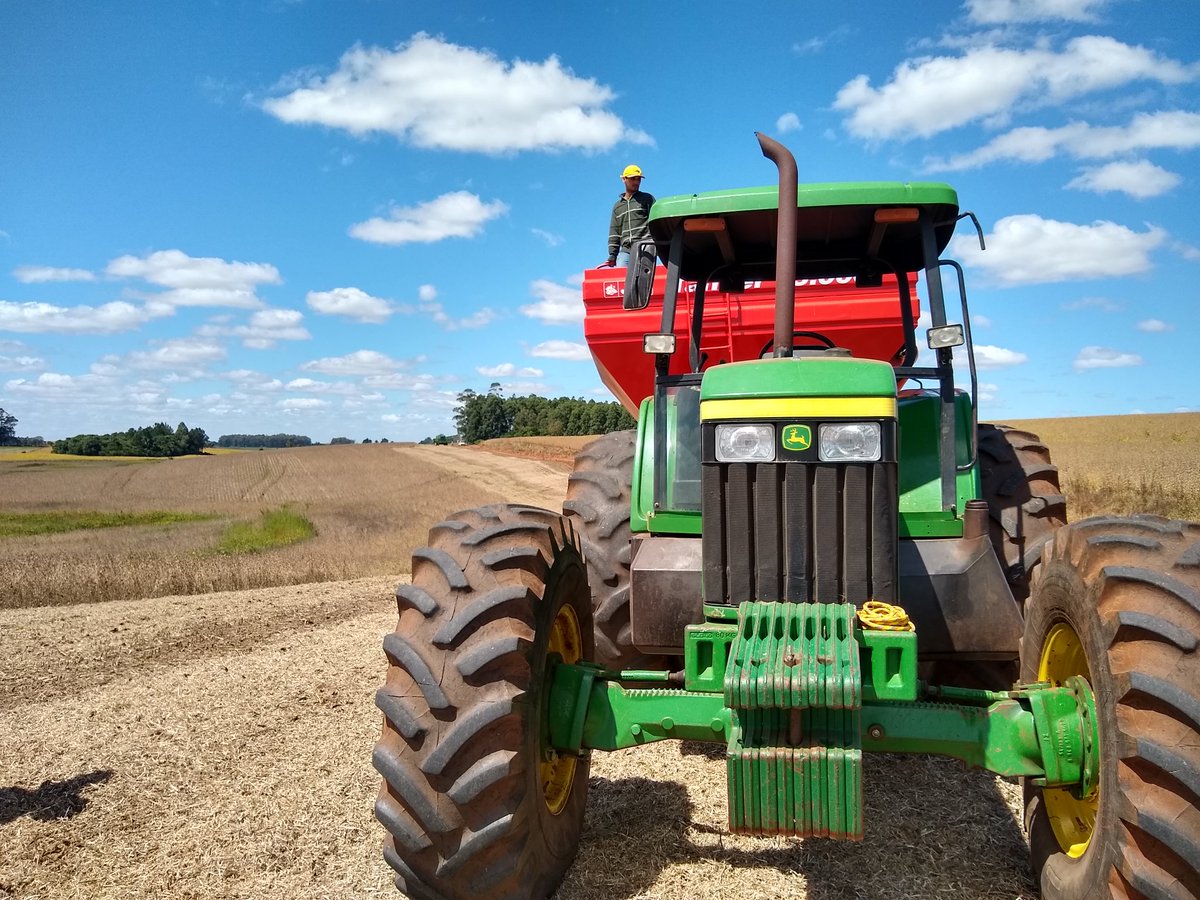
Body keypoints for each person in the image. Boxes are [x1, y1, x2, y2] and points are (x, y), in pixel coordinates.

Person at [603, 165, 655, 267]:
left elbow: (656, 222)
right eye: (633, 179)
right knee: (622, 274)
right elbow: (614, 231)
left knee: (644, 276)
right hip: (626, 250)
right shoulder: (617, 207)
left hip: (646, 246)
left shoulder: (647, 198)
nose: (636, 182)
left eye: (638, 179)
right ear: (624, 179)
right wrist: (613, 254)